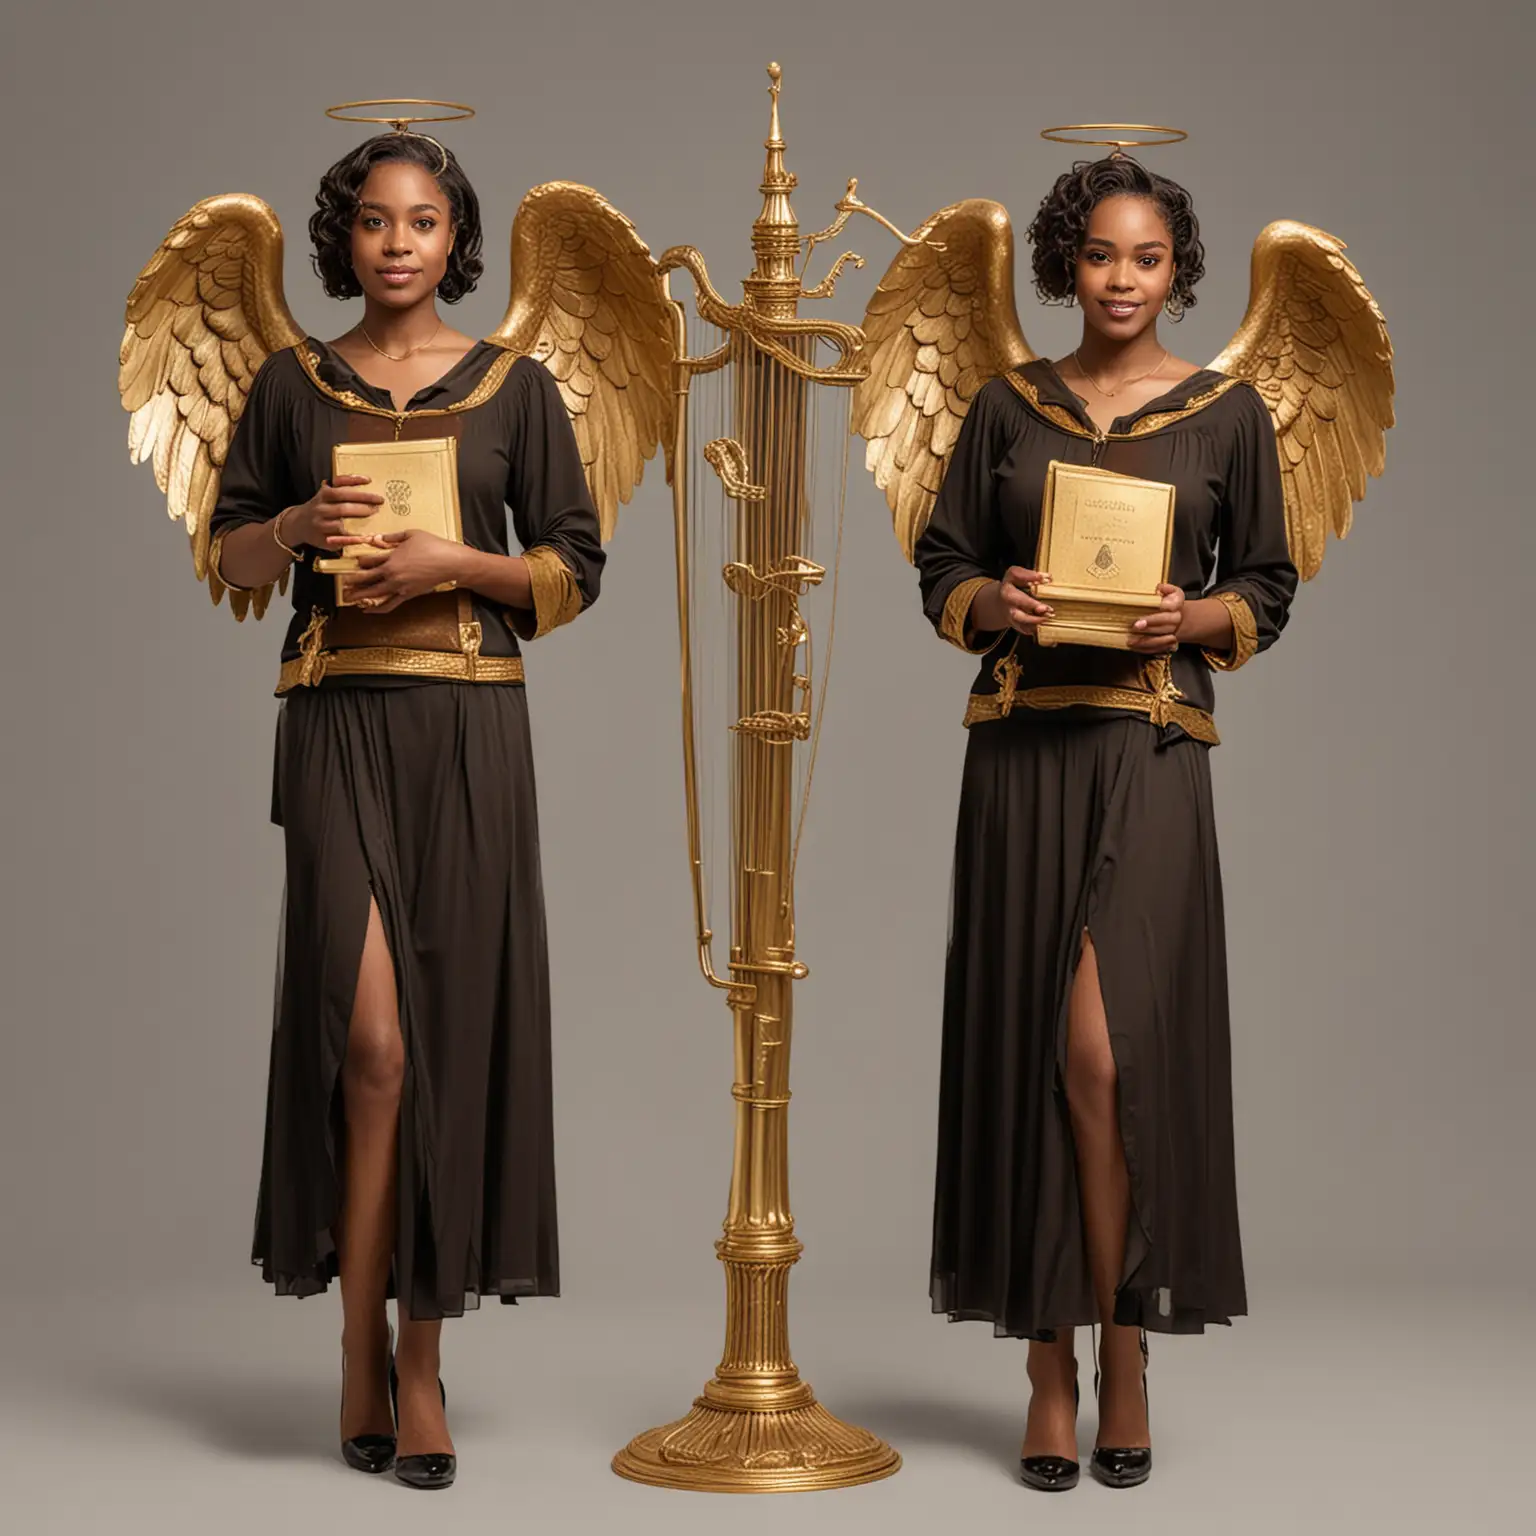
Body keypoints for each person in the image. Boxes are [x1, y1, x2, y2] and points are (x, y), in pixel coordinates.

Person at [205, 131, 605, 1489]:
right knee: (365, 1041)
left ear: (455, 239)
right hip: (334, 720)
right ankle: (354, 1343)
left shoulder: (515, 388)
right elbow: (228, 548)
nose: (396, 244)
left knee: (446, 1040)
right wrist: (295, 532)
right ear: (343, 238)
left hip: (470, 726)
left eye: (422, 222)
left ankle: (422, 1363)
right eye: (373, 222)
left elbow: (573, 564)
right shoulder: (288, 382)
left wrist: (459, 562)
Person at [913, 154, 1298, 1490]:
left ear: (1175, 270)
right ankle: (1046, 1364)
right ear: (1064, 266)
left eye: (1146, 259)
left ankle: (1126, 1345)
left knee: (1109, 1054)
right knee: (1041, 1053)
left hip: (1148, 745)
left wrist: (1195, 619)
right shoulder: (1006, 407)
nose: (1121, 280)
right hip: (1024, 751)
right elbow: (941, 562)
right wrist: (991, 604)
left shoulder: (1225, 411)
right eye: (1098, 257)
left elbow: (1268, 580)